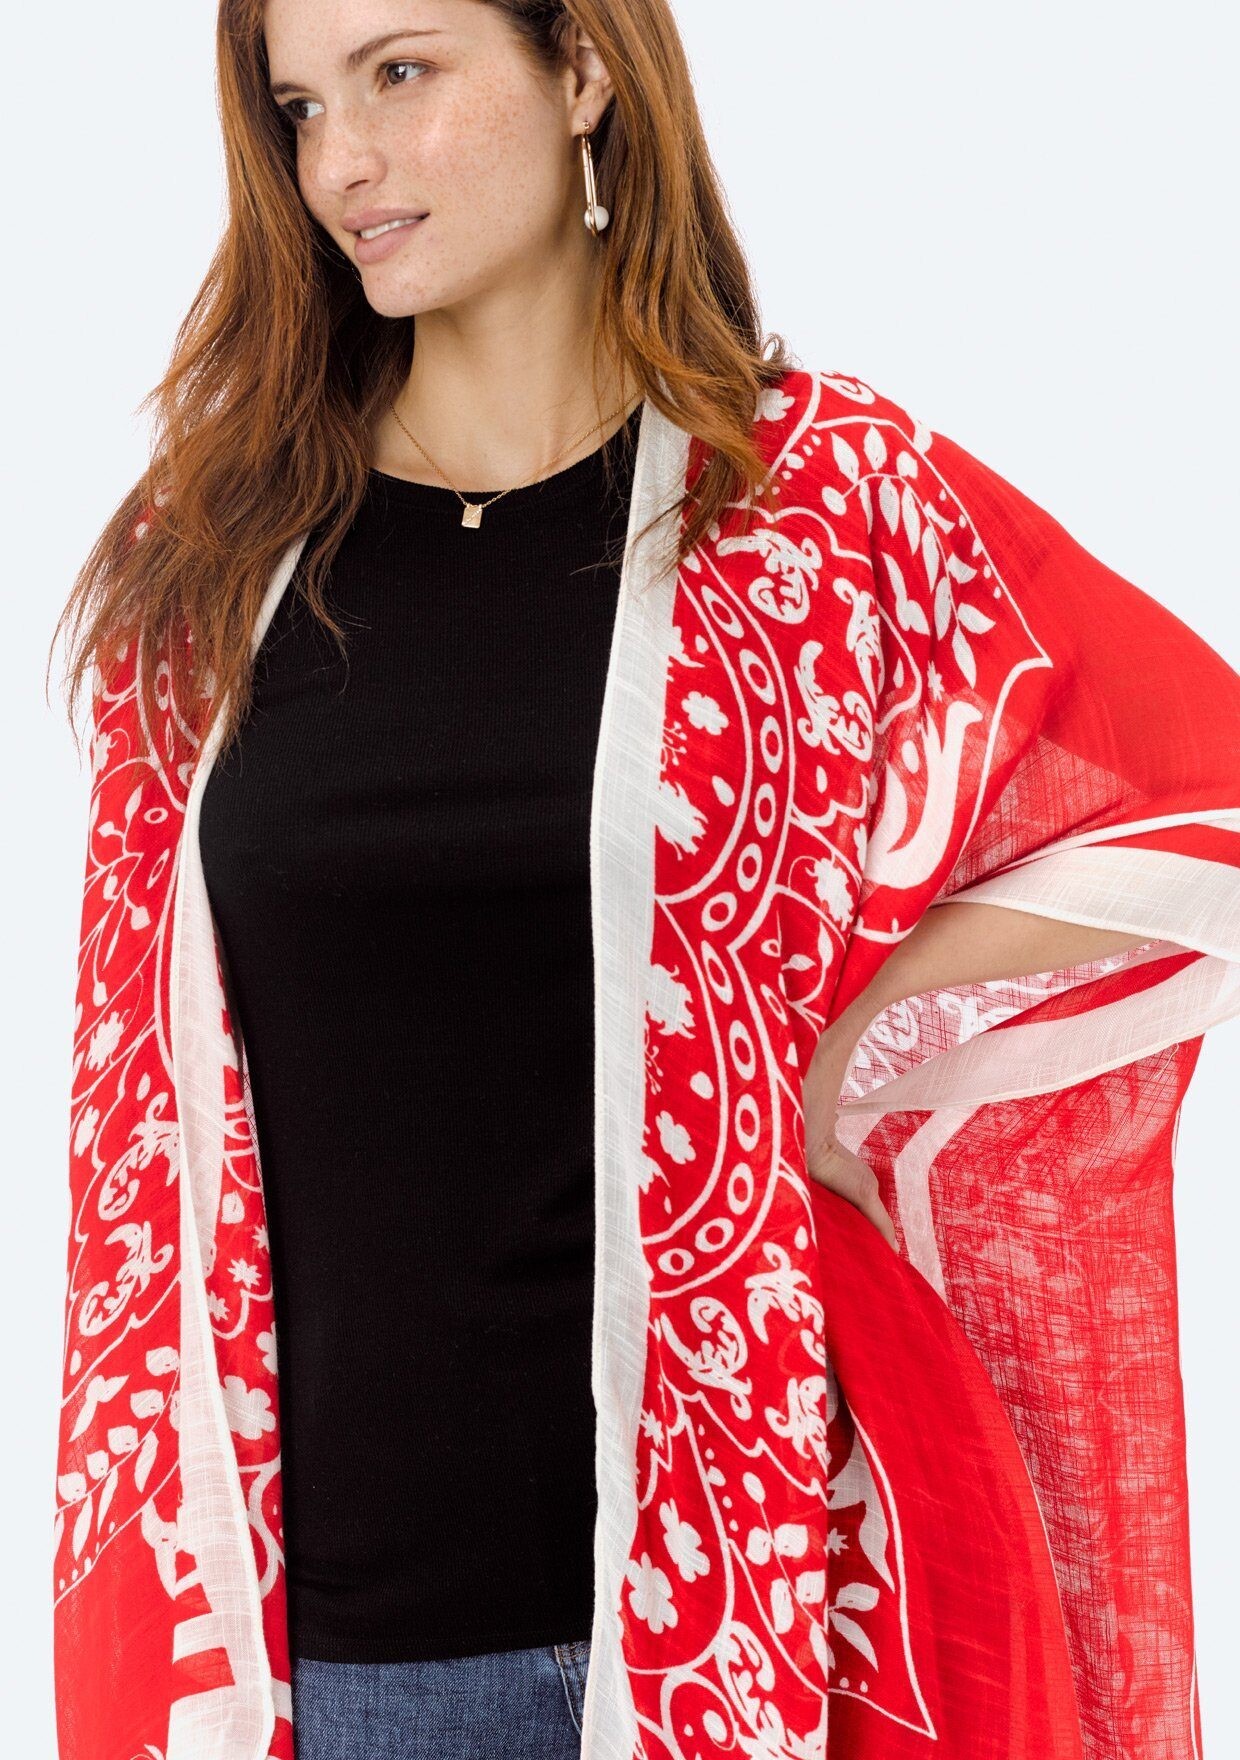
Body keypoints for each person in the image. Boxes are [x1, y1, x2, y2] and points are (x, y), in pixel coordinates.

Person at [50, 3, 1240, 1759]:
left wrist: (855, 1040)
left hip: (720, 1616)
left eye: (402, 72)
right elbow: (142, 1129)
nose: (343, 161)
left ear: (585, 69)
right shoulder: (218, 553)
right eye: (299, 107)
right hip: (319, 1662)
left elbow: (1195, 793)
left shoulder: (812, 502)